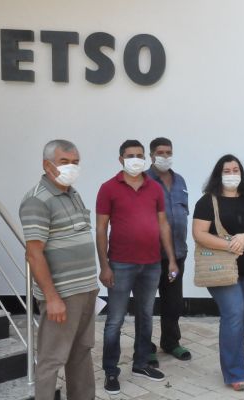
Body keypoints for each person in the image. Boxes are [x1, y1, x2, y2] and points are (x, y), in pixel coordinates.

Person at [97, 139, 179, 395]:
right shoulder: (108, 188)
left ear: (145, 158)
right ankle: (111, 370)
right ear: (121, 159)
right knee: (115, 320)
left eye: (140, 155)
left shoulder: (154, 188)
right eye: (131, 155)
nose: (136, 159)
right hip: (120, 264)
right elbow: (101, 228)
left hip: (151, 264)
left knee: (145, 316)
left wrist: (171, 259)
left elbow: (163, 224)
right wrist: (104, 265)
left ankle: (141, 363)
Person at [19, 140, 99, 400]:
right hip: (62, 295)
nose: (71, 167)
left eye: (75, 162)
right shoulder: (37, 200)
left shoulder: (72, 193)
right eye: (64, 162)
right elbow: (34, 253)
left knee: (81, 351)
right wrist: (52, 298)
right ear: (47, 165)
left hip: (85, 290)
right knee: (52, 358)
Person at [192, 154, 244, 391]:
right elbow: (199, 234)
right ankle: (235, 372)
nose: (232, 174)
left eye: (236, 170)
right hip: (222, 270)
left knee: (243, 317)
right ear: (219, 174)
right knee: (234, 314)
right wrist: (229, 245)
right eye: (227, 171)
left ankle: (236, 360)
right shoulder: (207, 201)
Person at [146, 137, 192, 365]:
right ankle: (145, 347)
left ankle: (171, 342)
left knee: (173, 304)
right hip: (150, 256)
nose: (165, 156)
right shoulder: (143, 181)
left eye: (168, 152)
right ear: (151, 155)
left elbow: (183, 213)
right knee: (146, 305)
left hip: (177, 254)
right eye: (160, 152)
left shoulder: (180, 180)